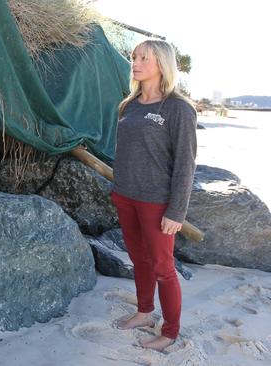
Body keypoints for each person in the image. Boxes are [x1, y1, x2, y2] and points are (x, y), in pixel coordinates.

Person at [109, 39, 197, 351]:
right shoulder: (128, 106)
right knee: (138, 259)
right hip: (125, 196)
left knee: (163, 267)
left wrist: (177, 211)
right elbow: (125, 152)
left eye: (143, 58)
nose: (135, 63)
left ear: (161, 64)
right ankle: (145, 313)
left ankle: (170, 332)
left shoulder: (178, 109)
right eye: (133, 57)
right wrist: (118, 189)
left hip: (157, 202)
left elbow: (186, 164)